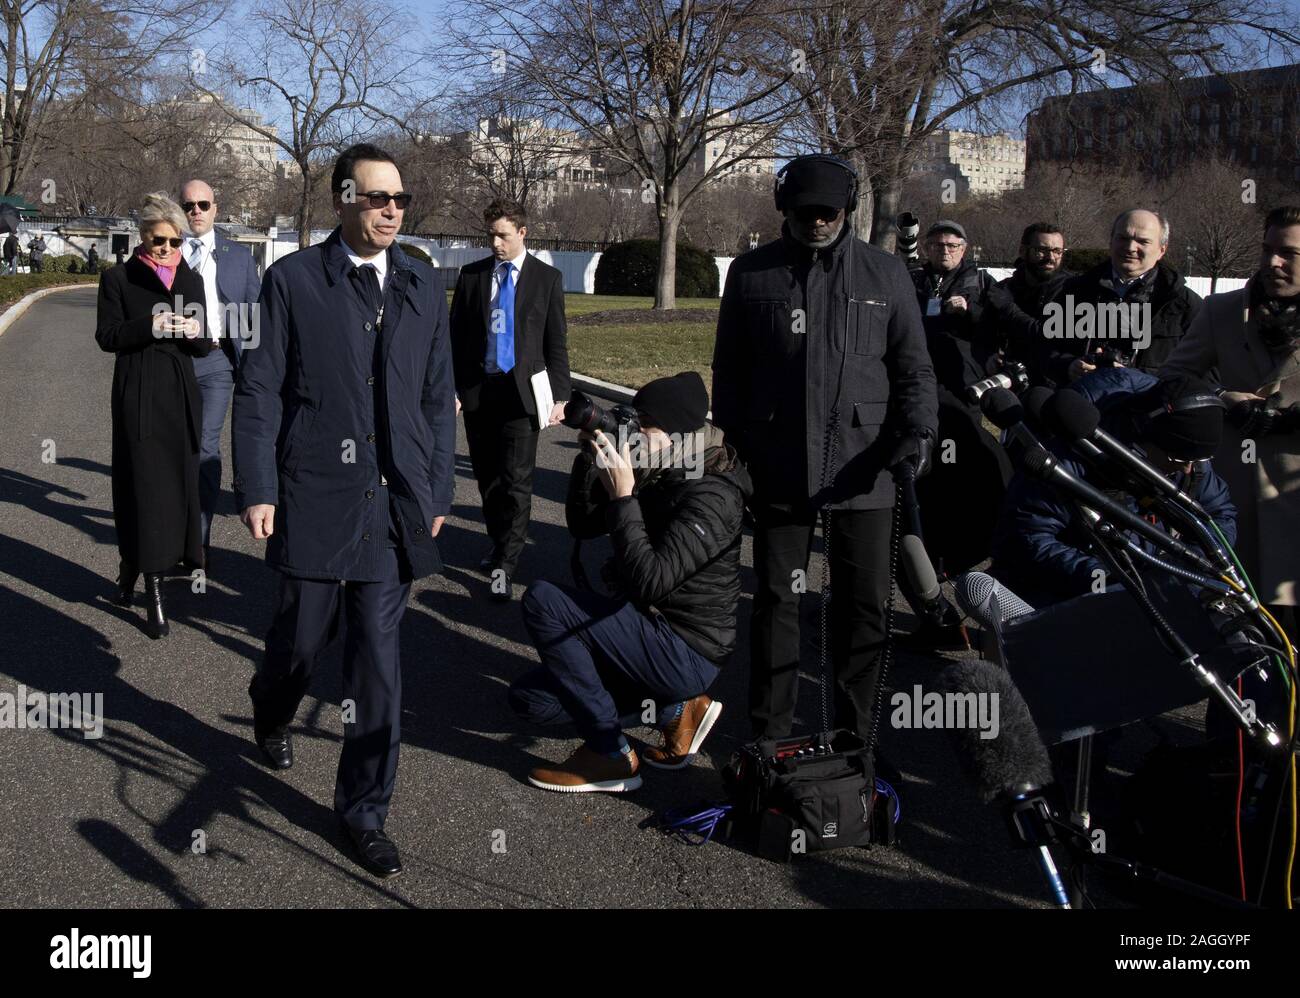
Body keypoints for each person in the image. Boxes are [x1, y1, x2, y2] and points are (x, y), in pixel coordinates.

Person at [232, 143, 456, 879]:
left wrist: (437, 493)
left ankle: (364, 812)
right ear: (343, 200)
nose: (393, 210)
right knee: (301, 640)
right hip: (315, 496)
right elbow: (260, 388)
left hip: (393, 506)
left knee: (378, 669)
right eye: (377, 198)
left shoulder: (423, 284)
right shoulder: (292, 280)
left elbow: (435, 399)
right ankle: (271, 707)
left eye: (401, 200)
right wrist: (258, 486)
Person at [711, 154, 938, 751]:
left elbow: (914, 370)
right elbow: (729, 369)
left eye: (829, 213)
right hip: (780, 467)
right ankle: (769, 739)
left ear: (848, 209)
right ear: (785, 209)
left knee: (862, 610)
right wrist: (736, 444)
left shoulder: (885, 275)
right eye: (806, 213)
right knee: (779, 601)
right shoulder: (751, 273)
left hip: (866, 469)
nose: (817, 223)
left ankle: (854, 742)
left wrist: (917, 436)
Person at [509, 372, 751, 791]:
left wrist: (624, 497)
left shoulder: (713, 494)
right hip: (648, 630)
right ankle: (675, 710)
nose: (634, 434)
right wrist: (591, 459)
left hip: (686, 647)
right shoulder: (666, 463)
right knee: (533, 701)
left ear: (678, 435)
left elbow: (651, 583)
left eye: (645, 428)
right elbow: (583, 525)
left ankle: (610, 753)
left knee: (544, 601)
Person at [1160, 205, 1300, 640]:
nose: (1273, 263)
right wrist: (1222, 398)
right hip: (1236, 503)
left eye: (1289, 254)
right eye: (1267, 250)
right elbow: (1172, 379)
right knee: (1244, 642)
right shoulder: (1223, 311)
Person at [989, 369, 1235, 609]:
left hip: (1150, 589)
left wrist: (1181, 569)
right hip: (1069, 595)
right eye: (1179, 460)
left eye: (1198, 460)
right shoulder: (1066, 459)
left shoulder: (1186, 450)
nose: (1187, 470)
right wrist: (1113, 577)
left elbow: (1219, 514)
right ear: (1144, 434)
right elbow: (1027, 538)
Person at [94, 193, 212, 638]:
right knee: (145, 489)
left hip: (180, 395)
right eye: (158, 239)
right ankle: (151, 588)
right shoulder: (118, 278)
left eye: (175, 240)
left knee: (177, 487)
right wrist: (152, 327)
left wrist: (197, 332)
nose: (167, 249)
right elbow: (107, 336)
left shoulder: (191, 279)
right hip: (138, 393)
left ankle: (131, 570)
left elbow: (203, 346)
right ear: (143, 237)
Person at [450, 198, 570, 601]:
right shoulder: (472, 276)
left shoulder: (546, 279)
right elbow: (456, 339)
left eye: (502, 235)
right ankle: (499, 540)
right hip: (480, 394)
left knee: (516, 481)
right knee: (488, 480)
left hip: (523, 397)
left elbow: (556, 343)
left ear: (522, 232)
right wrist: (452, 387)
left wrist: (560, 397)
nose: (495, 243)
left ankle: (506, 562)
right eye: (490, 235)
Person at [908, 219, 1011, 631]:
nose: (945, 250)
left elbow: (1002, 321)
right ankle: (929, 563)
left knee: (971, 470)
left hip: (962, 395)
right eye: (937, 244)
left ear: (965, 249)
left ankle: (965, 555)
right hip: (917, 393)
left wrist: (970, 311)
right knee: (924, 479)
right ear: (926, 249)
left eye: (952, 244)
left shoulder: (980, 283)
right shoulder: (914, 282)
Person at [179, 179, 262, 567]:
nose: (195, 211)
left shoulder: (238, 257)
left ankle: (199, 540)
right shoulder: (167, 250)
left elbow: (254, 316)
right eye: (188, 205)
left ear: (216, 208)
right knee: (173, 448)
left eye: (202, 205)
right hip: (173, 361)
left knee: (206, 447)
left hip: (218, 362)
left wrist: (258, 368)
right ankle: (167, 534)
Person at [1045, 209, 1201, 385]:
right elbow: (1045, 351)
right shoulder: (1074, 291)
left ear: (1161, 250)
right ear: (1111, 242)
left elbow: (1202, 369)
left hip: (1152, 405)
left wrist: (1137, 378)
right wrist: (1069, 365)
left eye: (1142, 241)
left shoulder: (1183, 304)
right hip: (1083, 400)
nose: (1130, 248)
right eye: (1123, 238)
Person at [975, 221, 1074, 384]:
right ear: (1022, 251)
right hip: (1009, 379)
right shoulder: (1003, 290)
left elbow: (1048, 337)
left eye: (1057, 251)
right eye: (1041, 250)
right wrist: (988, 359)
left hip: (1054, 384)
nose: (1051, 258)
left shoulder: (1071, 289)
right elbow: (982, 338)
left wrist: (1009, 309)